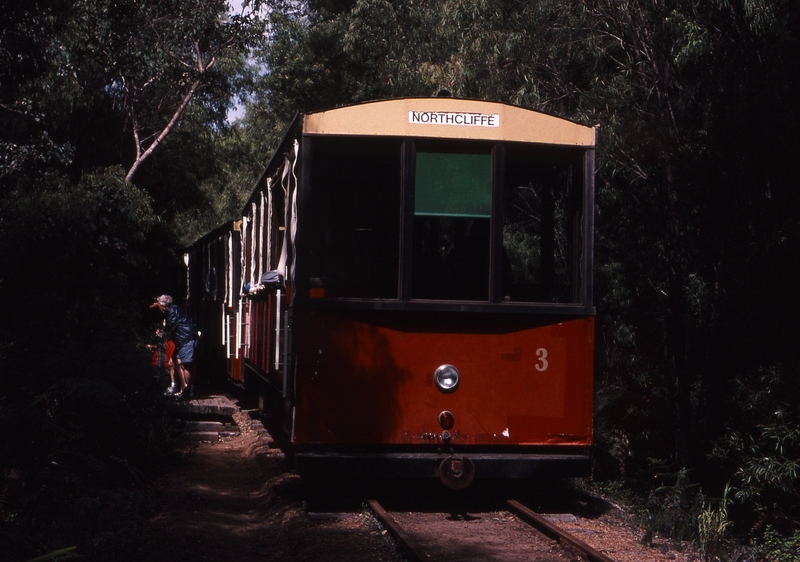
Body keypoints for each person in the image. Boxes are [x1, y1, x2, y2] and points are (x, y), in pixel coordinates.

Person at [150, 294, 199, 399]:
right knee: (174, 362)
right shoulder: (172, 310)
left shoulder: (172, 312)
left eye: (159, 305)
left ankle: (186, 391)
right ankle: (180, 388)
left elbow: (170, 327)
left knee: (187, 364)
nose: (159, 308)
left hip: (186, 339)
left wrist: (161, 332)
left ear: (164, 305)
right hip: (182, 339)